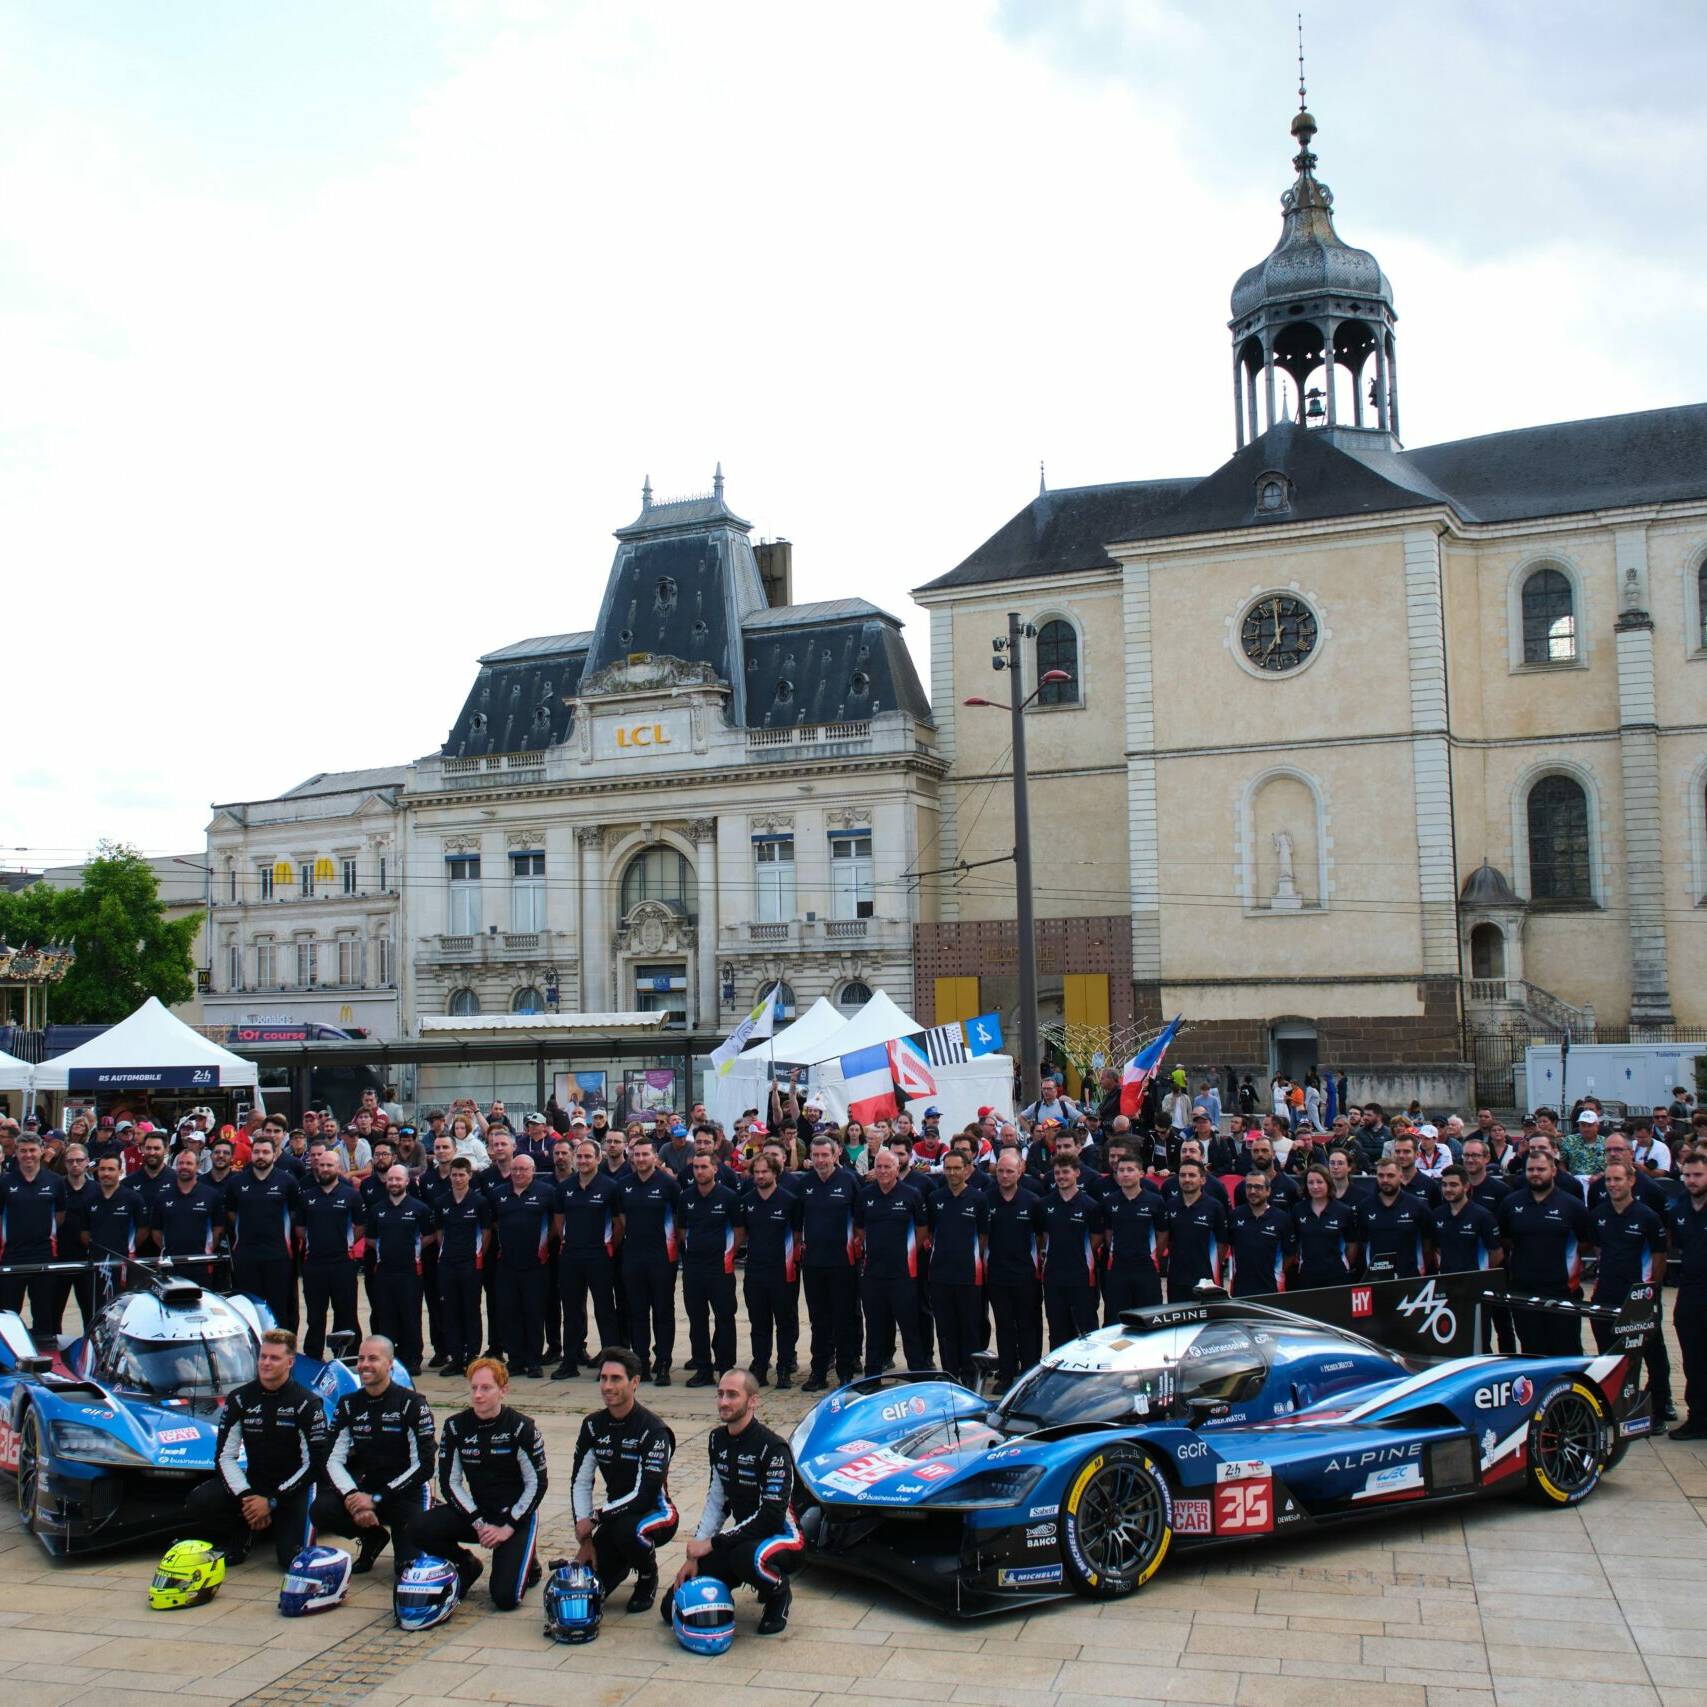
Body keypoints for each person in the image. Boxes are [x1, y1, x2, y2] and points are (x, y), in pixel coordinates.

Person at [670, 1368, 802, 1636]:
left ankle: (778, 1591)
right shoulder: (717, 1439)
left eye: (732, 1395)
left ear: (753, 1401)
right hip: (743, 1537)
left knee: (745, 1557)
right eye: (720, 1394)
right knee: (672, 1606)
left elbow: (771, 1517)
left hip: (784, 1538)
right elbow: (716, 1500)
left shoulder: (773, 1448)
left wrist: (714, 1543)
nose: (723, 1402)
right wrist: (695, 1553)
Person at [408, 1358, 548, 1609]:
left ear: (503, 1390)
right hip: (478, 1513)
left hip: (515, 1516)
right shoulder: (455, 1426)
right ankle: (466, 1564)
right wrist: (479, 1523)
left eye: (486, 1388)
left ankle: (529, 1562)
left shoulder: (522, 1428)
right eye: (474, 1388)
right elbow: (450, 1482)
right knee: (417, 1527)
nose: (478, 1395)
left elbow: (537, 1484)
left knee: (505, 1599)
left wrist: (508, 1527)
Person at [182, 1328, 326, 1566]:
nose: (266, 1363)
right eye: (263, 1357)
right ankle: (246, 1529)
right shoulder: (239, 1399)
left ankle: (273, 1523)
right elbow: (224, 1457)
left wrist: (271, 1501)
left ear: (290, 1362)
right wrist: (247, 1498)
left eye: (274, 1358)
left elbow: (316, 1465)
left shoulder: (307, 1403)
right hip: (255, 1484)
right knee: (201, 1500)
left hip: (296, 1490)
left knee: (292, 1562)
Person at [313, 1335, 437, 1574]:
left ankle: (439, 1543)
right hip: (368, 1487)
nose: (364, 1365)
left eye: (373, 1358)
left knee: (409, 1573)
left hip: (407, 1494)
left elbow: (425, 1466)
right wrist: (353, 1497)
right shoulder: (348, 1404)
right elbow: (331, 1459)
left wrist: (376, 1499)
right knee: (322, 1509)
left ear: (389, 1364)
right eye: (361, 1359)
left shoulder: (412, 1403)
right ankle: (373, 1536)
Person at [571, 1346, 679, 1612]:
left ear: (635, 1382)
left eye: (616, 1379)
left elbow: (645, 1495)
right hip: (616, 1514)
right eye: (603, 1378)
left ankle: (648, 1575)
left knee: (626, 1530)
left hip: (657, 1514)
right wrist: (586, 1540)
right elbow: (580, 1482)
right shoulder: (592, 1425)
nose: (607, 1386)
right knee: (587, 1589)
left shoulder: (654, 1430)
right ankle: (621, 1564)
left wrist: (596, 1517)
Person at [1498, 1146, 1592, 1356]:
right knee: (1531, 1351)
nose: (1535, 1174)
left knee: (1567, 1352)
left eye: (1541, 1169)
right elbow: (1504, 1240)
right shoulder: (1511, 1203)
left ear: (1553, 1170)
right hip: (1523, 1292)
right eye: (1530, 1169)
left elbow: (1586, 1242)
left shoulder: (1573, 1206)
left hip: (1563, 1292)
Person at [552, 1138, 624, 1381]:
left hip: (599, 1256)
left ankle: (610, 1364)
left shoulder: (610, 1187)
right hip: (571, 1256)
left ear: (598, 1158)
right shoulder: (565, 1187)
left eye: (587, 1157)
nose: (582, 1161)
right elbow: (559, 1220)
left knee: (605, 1311)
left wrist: (608, 1247)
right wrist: (568, 1241)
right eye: (579, 1156)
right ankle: (569, 1362)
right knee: (572, 1311)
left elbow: (619, 1223)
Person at [797, 1134, 862, 1393]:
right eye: (816, 1155)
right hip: (813, 1264)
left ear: (835, 1155)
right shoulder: (805, 1183)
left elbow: (860, 1220)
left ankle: (845, 1372)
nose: (821, 1160)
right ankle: (819, 1371)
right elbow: (797, 1221)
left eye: (825, 1155)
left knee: (843, 1318)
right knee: (819, 1321)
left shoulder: (850, 1181)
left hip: (843, 1264)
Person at [857, 1145, 928, 1375]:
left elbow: (922, 1228)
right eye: (878, 1166)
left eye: (888, 1166)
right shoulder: (865, 1195)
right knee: (875, 1326)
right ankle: (872, 1375)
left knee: (910, 1325)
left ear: (897, 1169)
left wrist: (909, 1251)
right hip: (873, 1273)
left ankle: (916, 1372)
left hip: (903, 1274)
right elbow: (859, 1229)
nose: (883, 1171)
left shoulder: (911, 1194)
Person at [679, 1151, 743, 1388]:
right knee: (697, 1320)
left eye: (704, 1167)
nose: (699, 1171)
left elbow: (739, 1231)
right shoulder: (685, 1197)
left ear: (715, 1169)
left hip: (720, 1268)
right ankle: (703, 1368)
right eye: (696, 1167)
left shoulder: (729, 1197)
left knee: (725, 1318)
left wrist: (727, 1254)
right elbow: (681, 1230)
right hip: (694, 1268)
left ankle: (725, 1368)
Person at [224, 1134, 301, 1330]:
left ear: (274, 1155)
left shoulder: (287, 1181)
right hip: (246, 1255)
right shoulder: (236, 1182)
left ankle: (280, 1346)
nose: (260, 1156)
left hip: (278, 1255)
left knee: (279, 1308)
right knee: (248, 1308)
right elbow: (231, 1213)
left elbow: (294, 1213)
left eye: (266, 1152)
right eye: (256, 1152)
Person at [927, 1148, 989, 1385]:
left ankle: (970, 1376)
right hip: (940, 1275)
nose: (952, 1173)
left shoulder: (978, 1199)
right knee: (945, 1329)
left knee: (970, 1328)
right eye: (948, 1168)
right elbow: (930, 1233)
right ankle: (950, 1375)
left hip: (969, 1275)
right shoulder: (935, 1198)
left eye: (956, 1168)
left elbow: (983, 1236)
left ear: (966, 1169)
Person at [366, 1164, 435, 1376]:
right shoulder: (377, 1209)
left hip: (410, 1272)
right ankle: (388, 1361)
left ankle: (412, 1359)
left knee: (410, 1317)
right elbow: (370, 1239)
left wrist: (411, 1249)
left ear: (406, 1181)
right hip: (384, 1272)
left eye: (398, 1179)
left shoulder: (419, 1209)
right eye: (391, 1179)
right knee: (386, 1317)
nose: (394, 1183)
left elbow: (430, 1236)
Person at [489, 1152, 554, 1379]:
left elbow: (556, 1223)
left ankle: (534, 1360)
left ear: (533, 1170)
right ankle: (515, 1360)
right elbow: (493, 1223)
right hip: (507, 1264)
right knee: (509, 1313)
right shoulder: (498, 1194)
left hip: (536, 1264)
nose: (518, 1173)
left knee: (534, 1313)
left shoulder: (546, 1192)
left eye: (523, 1169)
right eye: (515, 1169)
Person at [741, 1153, 803, 1389]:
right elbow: (743, 1232)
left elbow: (797, 1235)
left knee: (785, 1323)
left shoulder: (789, 1201)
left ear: (775, 1172)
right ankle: (760, 1367)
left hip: (783, 1272)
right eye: (756, 1172)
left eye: (765, 1171)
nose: (760, 1176)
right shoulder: (746, 1201)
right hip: (755, 1272)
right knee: (759, 1324)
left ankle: (784, 1368)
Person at [297, 1145, 365, 1361]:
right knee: (315, 1316)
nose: (325, 1168)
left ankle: (346, 1356)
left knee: (345, 1313)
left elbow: (361, 1226)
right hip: (314, 1264)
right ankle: (313, 1356)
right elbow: (300, 1228)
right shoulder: (307, 1196)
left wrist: (346, 1243)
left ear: (338, 1168)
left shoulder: (351, 1195)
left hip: (342, 1263)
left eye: (329, 1165)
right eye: (322, 1165)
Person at [0, 1134, 68, 1332]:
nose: (28, 1155)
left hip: (44, 1254)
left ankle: (43, 1347)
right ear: (16, 1153)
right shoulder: (4, 1182)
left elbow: (60, 1216)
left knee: (44, 1312)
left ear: (41, 1151)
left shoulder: (55, 1181)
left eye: (32, 1150)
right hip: (12, 1256)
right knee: (8, 1313)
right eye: (23, 1151)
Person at [435, 1156, 492, 1377]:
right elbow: (440, 1233)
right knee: (450, 1310)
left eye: (461, 1175)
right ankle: (456, 1357)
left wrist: (476, 1255)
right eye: (454, 1175)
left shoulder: (480, 1202)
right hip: (448, 1264)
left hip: (471, 1264)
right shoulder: (441, 1202)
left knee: (471, 1309)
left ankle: (472, 1356)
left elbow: (486, 1233)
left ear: (469, 1175)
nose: (458, 1179)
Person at [1039, 1154, 1104, 1345]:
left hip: (1082, 1276)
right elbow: (1043, 1235)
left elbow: (1097, 1237)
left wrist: (1078, 1252)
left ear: (1076, 1173)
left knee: (1086, 1329)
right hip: (1053, 1277)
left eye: (1065, 1172)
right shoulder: (1044, 1205)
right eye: (1057, 1173)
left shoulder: (1091, 1205)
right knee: (1057, 1329)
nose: (1061, 1176)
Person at [1666, 1152, 1707, 1440]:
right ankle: (1698, 1418)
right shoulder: (1679, 1209)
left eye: (1698, 1175)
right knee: (1693, 1359)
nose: (1692, 1181)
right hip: (1690, 1293)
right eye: (1687, 1175)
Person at [1100, 1152, 1167, 1317]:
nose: (1125, 1174)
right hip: (1118, 1269)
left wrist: (1153, 1256)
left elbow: (1163, 1234)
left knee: (1150, 1318)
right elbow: (1108, 1234)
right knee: (1115, 1319)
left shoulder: (1155, 1201)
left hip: (1146, 1269)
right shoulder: (1109, 1202)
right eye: (1121, 1170)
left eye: (1130, 1170)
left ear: (1141, 1173)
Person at [1164, 1158, 1228, 1301]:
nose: (1187, 1179)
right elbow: (1168, 1240)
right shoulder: (1170, 1205)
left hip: (1206, 1279)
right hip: (1177, 1278)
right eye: (1182, 1175)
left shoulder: (1215, 1207)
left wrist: (1211, 1265)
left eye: (1192, 1175)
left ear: (1202, 1180)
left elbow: (1222, 1244)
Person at [1292, 1164, 1361, 1290]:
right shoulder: (1298, 1210)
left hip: (1337, 1276)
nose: (1315, 1186)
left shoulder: (1343, 1211)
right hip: (1307, 1275)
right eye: (1310, 1182)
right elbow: (1295, 1242)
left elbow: (1352, 1244)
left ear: (1328, 1183)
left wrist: (1343, 1266)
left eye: (1319, 1182)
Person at [1361, 1159, 1432, 1280]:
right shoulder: (1365, 1206)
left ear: (1401, 1177)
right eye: (1381, 1175)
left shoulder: (1418, 1206)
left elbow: (1428, 1242)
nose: (1385, 1180)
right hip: (1376, 1277)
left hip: (1409, 1276)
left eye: (1390, 1175)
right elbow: (1362, 1242)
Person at [1228, 1170, 1296, 1297]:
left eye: (1258, 1187)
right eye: (1249, 1186)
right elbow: (1229, 1248)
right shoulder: (1234, 1215)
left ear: (1268, 1191)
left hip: (1272, 1288)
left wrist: (1276, 1272)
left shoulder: (1282, 1219)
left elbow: (1290, 1255)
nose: (1252, 1191)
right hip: (1240, 1290)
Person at [1429, 1165, 1503, 1278]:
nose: (1447, 1189)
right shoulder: (1437, 1214)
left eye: (1453, 1185)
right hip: (1446, 1280)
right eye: (1444, 1185)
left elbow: (1496, 1254)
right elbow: (1437, 1248)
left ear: (1466, 1186)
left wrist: (1481, 1274)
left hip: (1474, 1281)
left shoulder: (1483, 1216)